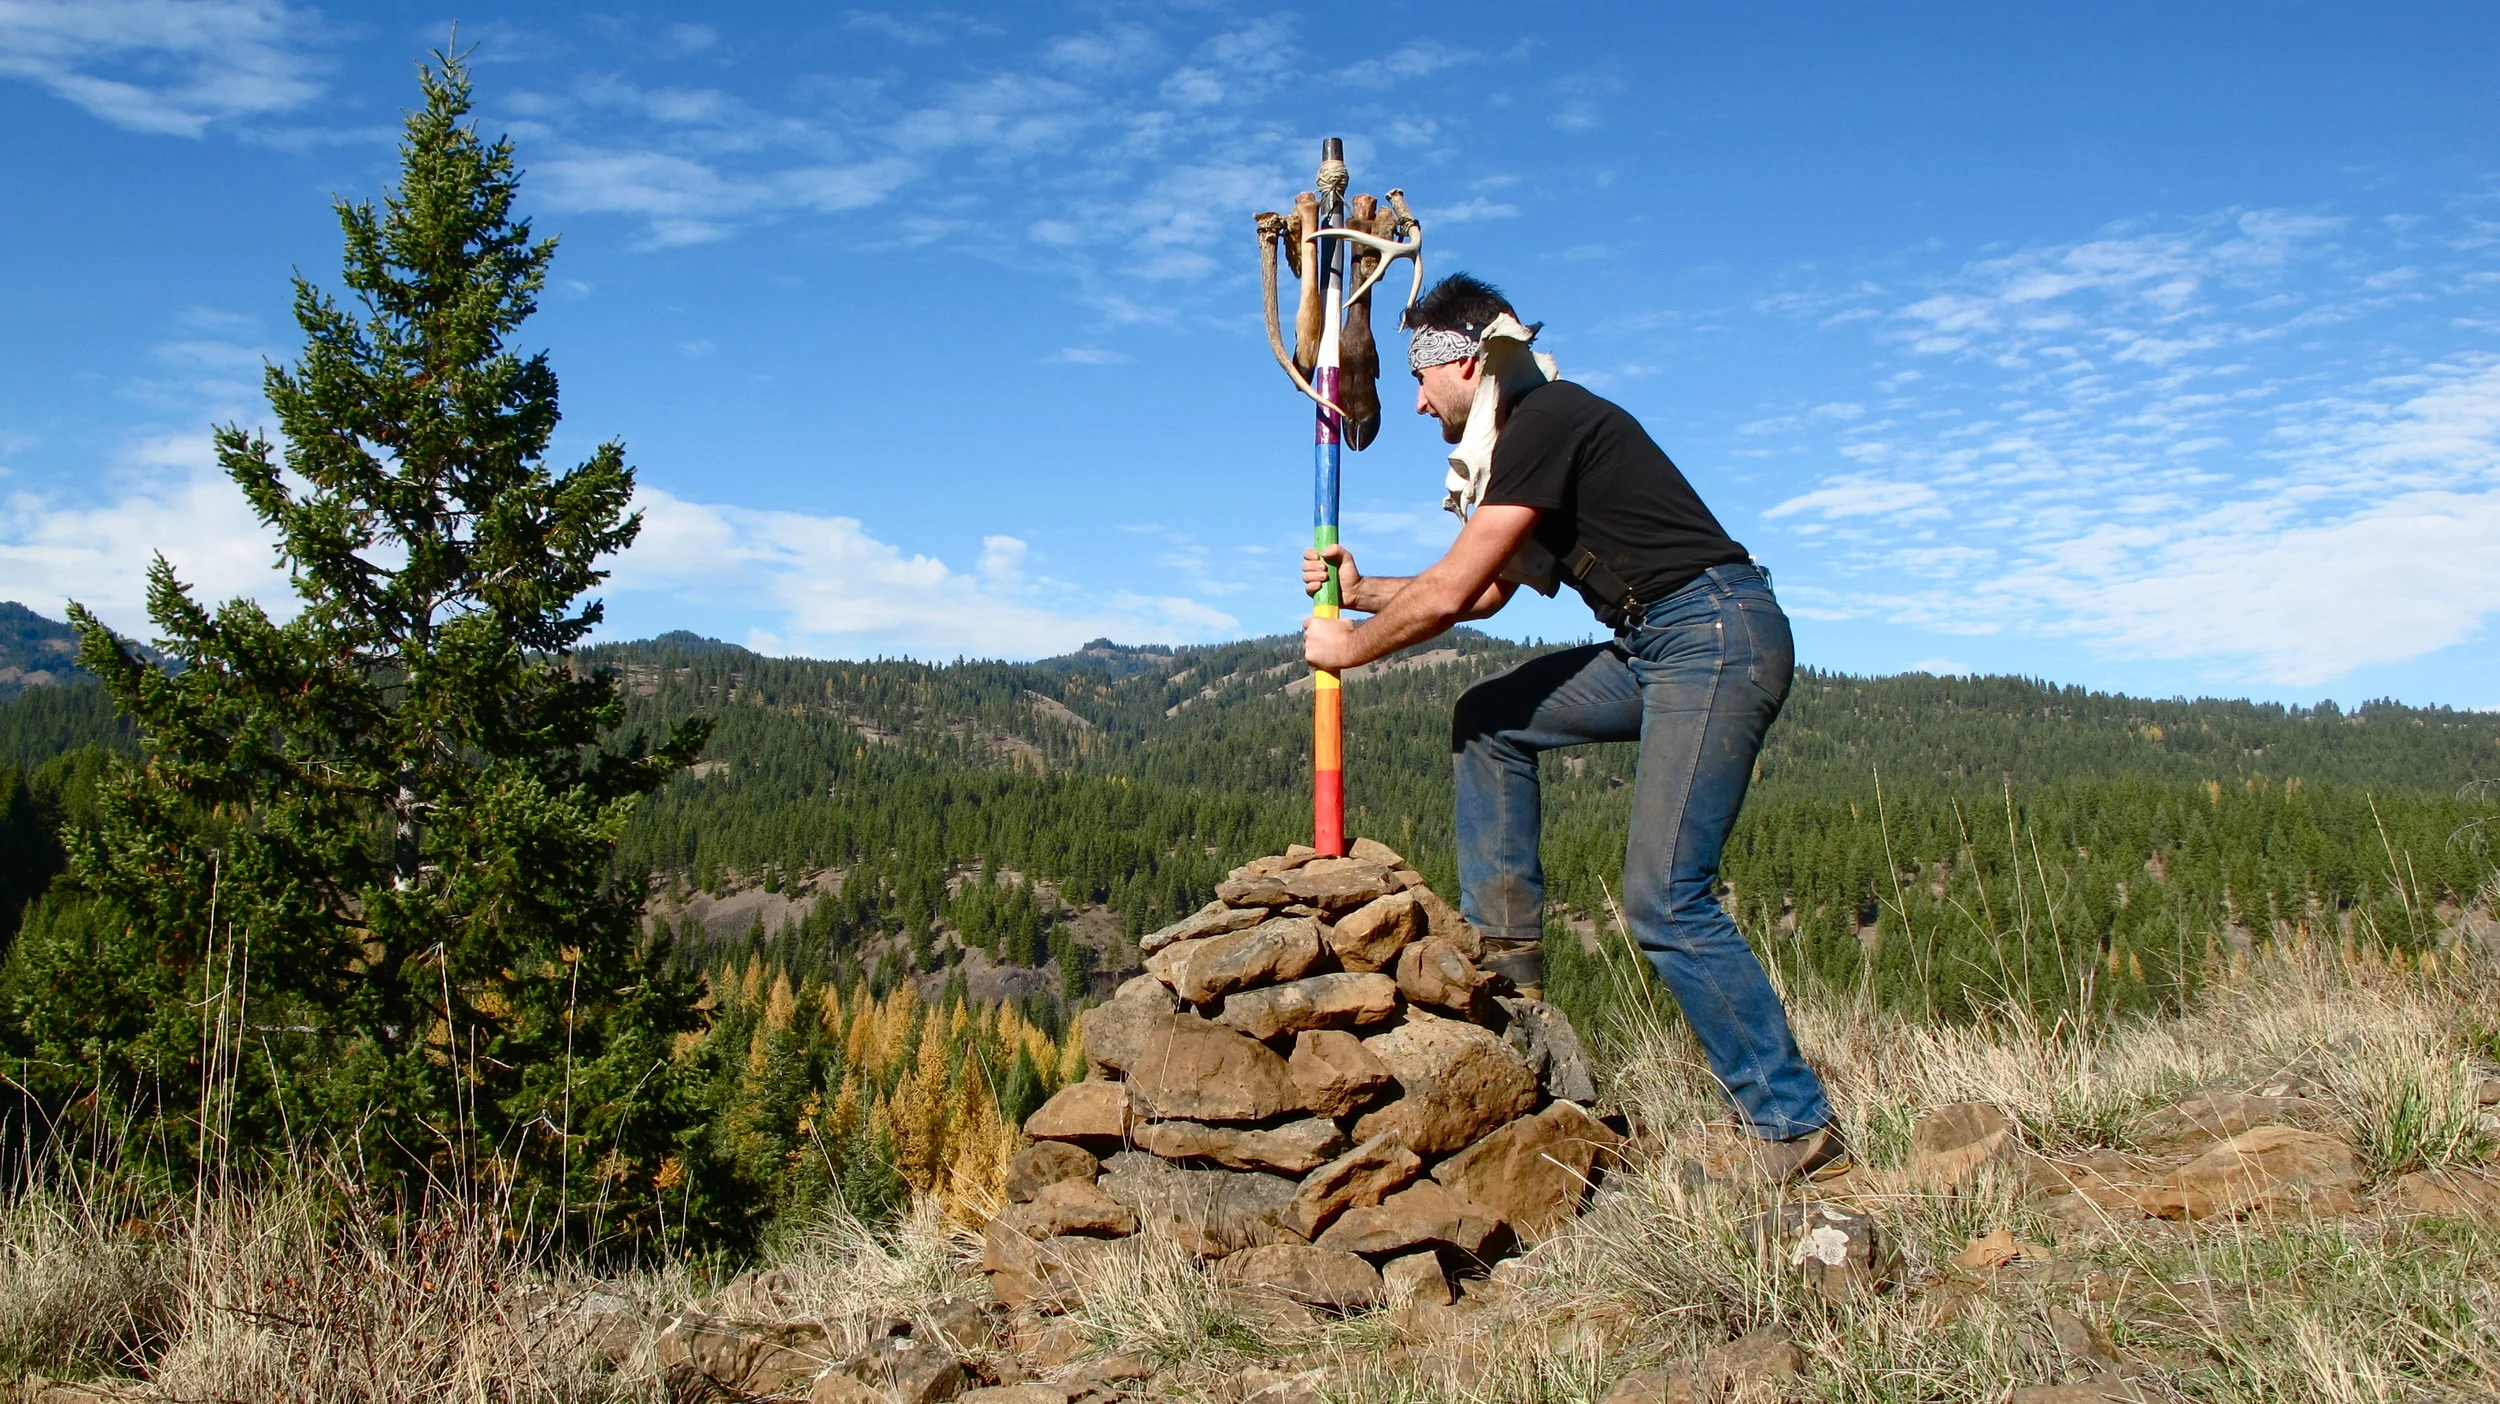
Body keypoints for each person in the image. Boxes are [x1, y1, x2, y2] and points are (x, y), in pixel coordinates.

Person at [1298, 273, 1846, 1181]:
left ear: (1465, 361)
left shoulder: (1546, 421)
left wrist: (1347, 646)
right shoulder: (1525, 439)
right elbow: (1481, 592)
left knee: (1667, 898)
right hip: (1662, 640)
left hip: (1711, 633)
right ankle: (1507, 971)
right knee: (1491, 719)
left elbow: (1447, 594)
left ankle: (1793, 1124)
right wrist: (1360, 593)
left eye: (1421, 376)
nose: (1415, 396)